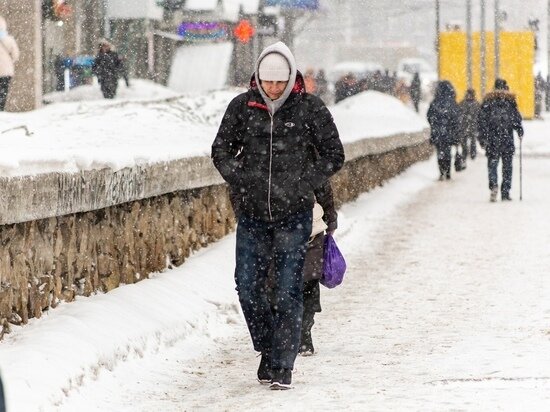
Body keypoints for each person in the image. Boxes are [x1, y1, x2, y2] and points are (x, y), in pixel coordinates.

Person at [212, 41, 344, 390]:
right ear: (257, 78)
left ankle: (283, 365)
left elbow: (334, 153)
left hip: (294, 215)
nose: (272, 88)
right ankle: (269, 349)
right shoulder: (241, 108)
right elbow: (221, 150)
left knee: (287, 290)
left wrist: (305, 183)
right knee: (248, 288)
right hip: (253, 215)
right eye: (267, 82)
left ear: (290, 79)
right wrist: (241, 179)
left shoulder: (309, 110)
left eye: (278, 82)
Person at [478, 78, 523, 202]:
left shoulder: (488, 102)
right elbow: (516, 120)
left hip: (492, 141)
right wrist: (519, 131)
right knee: (507, 167)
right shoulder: (510, 102)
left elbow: (481, 122)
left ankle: (493, 186)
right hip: (507, 140)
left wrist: (482, 138)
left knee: (492, 165)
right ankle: (505, 192)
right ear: (506, 88)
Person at [427, 80, 460, 180]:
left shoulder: (435, 102)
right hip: (449, 132)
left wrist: (435, 125)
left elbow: (429, 116)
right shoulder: (452, 102)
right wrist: (455, 130)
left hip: (438, 132)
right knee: (448, 152)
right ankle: (448, 172)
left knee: (440, 152)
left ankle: (442, 172)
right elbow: (456, 118)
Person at [0, 16, 20, 111]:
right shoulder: (8, 39)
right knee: (3, 91)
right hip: (6, 71)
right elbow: (15, 55)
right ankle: (1, 109)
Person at [458, 88, 481, 164]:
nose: (469, 96)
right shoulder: (464, 103)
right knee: (465, 141)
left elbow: (479, 115)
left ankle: (472, 153)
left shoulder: (475, 104)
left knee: (472, 141)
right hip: (466, 126)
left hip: (471, 126)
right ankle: (466, 153)